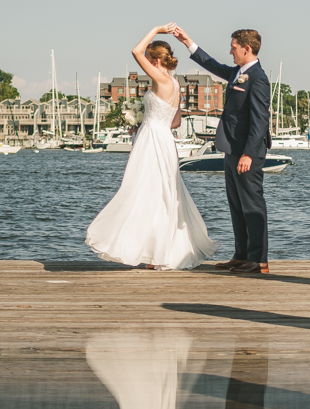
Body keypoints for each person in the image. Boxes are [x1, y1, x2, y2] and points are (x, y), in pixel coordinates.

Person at [85, 24, 217, 270]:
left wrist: (156, 29)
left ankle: (152, 253)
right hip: (164, 139)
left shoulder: (159, 77)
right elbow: (175, 121)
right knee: (163, 193)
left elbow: (135, 51)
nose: (143, 62)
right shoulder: (176, 85)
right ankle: (160, 253)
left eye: (148, 59)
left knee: (144, 191)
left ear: (155, 60)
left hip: (152, 140)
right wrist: (143, 122)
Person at [172, 26, 271, 275]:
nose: (230, 51)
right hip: (231, 149)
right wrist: (188, 42)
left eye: (234, 47)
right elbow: (214, 66)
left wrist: (248, 153)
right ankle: (241, 255)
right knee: (236, 205)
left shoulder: (258, 79)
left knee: (252, 205)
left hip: (248, 152)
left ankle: (258, 259)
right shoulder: (239, 72)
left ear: (247, 49)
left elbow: (260, 121)